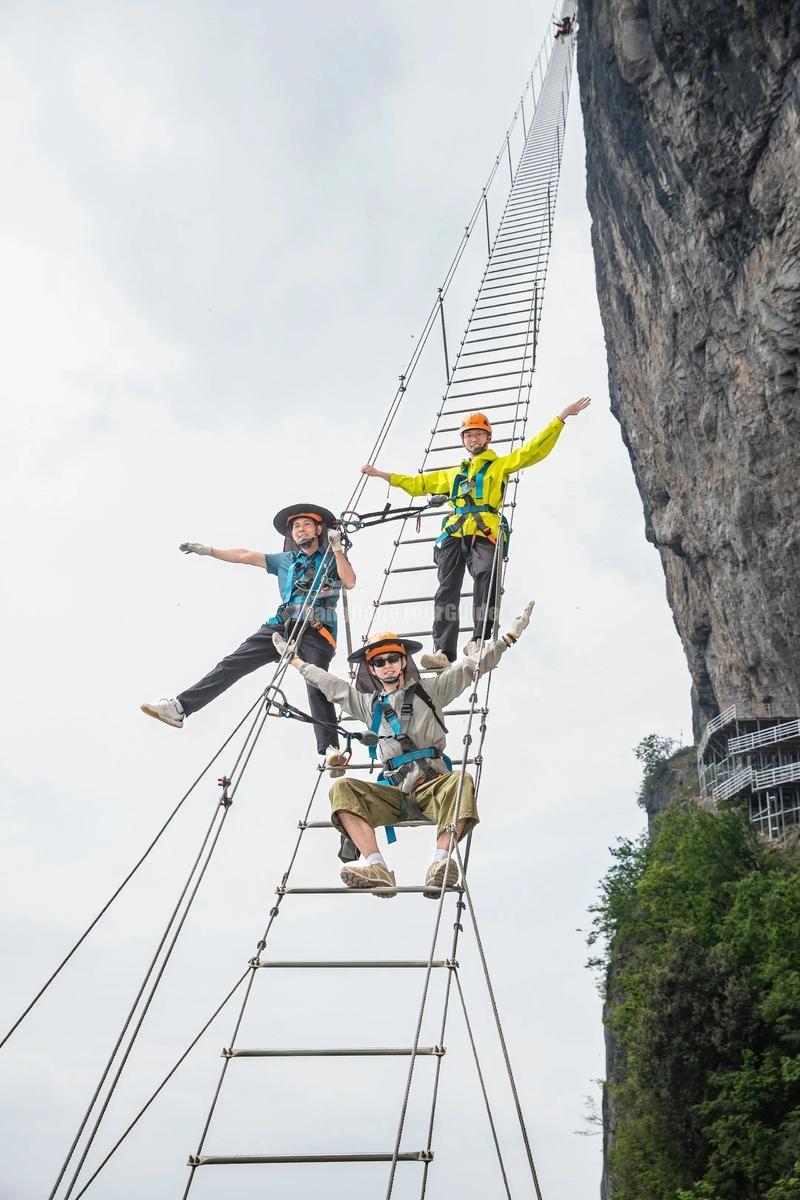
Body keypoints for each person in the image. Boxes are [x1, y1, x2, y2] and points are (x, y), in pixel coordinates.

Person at [272, 601, 534, 897]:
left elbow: (472, 667)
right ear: (371, 668)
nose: (387, 666)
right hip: (394, 794)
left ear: (403, 661)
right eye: (380, 662)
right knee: (341, 789)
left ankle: (440, 863)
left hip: (433, 787)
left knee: (462, 781)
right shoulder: (368, 705)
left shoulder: (431, 691)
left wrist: (508, 638)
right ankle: (377, 867)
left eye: (392, 659)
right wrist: (296, 662)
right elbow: (330, 685)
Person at [361, 399, 589, 670]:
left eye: (478, 434)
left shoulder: (499, 465)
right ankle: (443, 651)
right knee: (446, 589)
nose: (473, 439)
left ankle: (479, 639)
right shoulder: (452, 474)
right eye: (469, 435)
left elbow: (532, 451)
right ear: (463, 440)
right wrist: (381, 475)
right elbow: (418, 484)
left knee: (485, 575)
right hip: (454, 534)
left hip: (484, 531)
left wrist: (560, 418)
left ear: (488, 437)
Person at [141, 504, 355, 772]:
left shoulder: (329, 558)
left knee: (316, 681)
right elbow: (245, 555)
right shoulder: (285, 561)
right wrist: (210, 551)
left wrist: (337, 549)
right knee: (233, 663)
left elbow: (349, 581)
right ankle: (180, 708)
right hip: (282, 625)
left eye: (306, 525)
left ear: (319, 529)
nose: (301, 530)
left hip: (317, 629)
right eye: (296, 527)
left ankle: (330, 750)